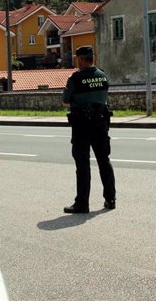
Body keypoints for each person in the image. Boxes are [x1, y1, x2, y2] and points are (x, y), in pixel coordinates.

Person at [61, 45, 116, 214]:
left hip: (82, 126)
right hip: (100, 125)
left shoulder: (76, 79)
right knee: (104, 161)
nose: (77, 62)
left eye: (77, 59)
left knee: (83, 164)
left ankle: (82, 203)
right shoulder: (102, 75)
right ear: (92, 58)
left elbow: (65, 100)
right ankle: (110, 199)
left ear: (81, 59)